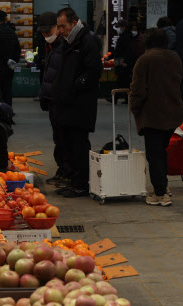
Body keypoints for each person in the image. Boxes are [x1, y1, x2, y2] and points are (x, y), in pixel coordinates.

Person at [130, 28, 183, 206]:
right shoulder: (175, 57)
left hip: (153, 116)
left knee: (155, 155)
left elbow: (138, 89)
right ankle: (163, 187)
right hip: (174, 114)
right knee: (162, 152)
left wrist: (135, 107)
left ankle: (161, 194)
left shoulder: (145, 59)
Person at [53, 8, 102, 197]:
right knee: (68, 143)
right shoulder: (69, 41)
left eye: (62, 26)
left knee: (79, 144)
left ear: (74, 23)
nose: (60, 31)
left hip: (80, 104)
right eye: (58, 27)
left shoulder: (88, 40)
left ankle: (82, 183)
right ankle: (73, 181)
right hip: (66, 103)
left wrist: (75, 86)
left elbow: (93, 71)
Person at [37, 12, 65, 186]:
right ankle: (61, 170)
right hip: (52, 97)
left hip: (61, 98)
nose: (46, 35)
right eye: (43, 32)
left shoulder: (64, 45)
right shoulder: (49, 45)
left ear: (57, 27)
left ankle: (66, 172)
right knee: (58, 137)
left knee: (64, 138)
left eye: (49, 31)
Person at [0, 10, 21, 106]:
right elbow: (17, 49)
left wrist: (5, 59)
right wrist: (13, 61)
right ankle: (8, 115)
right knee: (7, 92)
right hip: (8, 68)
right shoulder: (12, 32)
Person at [114, 20, 133, 104]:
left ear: (123, 27)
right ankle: (125, 98)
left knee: (121, 79)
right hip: (120, 60)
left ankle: (116, 97)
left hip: (122, 60)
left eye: (120, 27)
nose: (119, 29)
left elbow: (127, 50)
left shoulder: (126, 37)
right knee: (123, 80)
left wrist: (126, 61)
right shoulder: (125, 36)